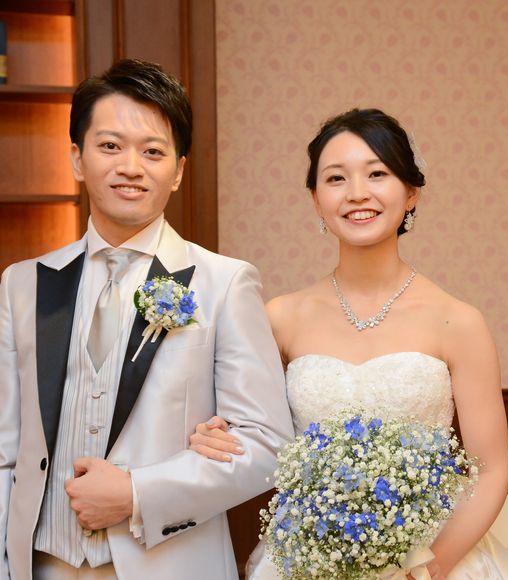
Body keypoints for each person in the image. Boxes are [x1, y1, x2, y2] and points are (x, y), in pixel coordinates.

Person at [189, 109, 508, 579]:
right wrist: (215, 434)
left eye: (377, 174)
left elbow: (491, 470)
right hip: (312, 557)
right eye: (336, 178)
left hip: (437, 557)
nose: (356, 193)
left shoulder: (458, 321)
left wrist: (429, 569)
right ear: (316, 200)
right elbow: (249, 430)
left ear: (411, 192)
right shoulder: (281, 319)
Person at [0, 59, 294, 580]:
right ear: (77, 158)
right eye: (110, 146)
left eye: (153, 152)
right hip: (42, 564)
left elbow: (268, 445)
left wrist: (137, 493)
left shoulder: (225, 283)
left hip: (168, 564)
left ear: (178, 171)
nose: (131, 166)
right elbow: (6, 450)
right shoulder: (22, 284)